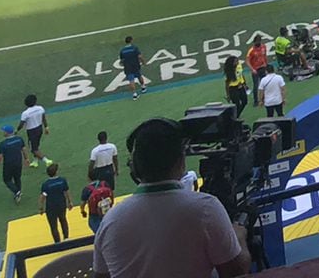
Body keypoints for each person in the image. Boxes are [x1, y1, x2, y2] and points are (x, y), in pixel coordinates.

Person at [91, 116, 251, 277]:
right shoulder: (205, 209)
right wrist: (239, 236)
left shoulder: (110, 221)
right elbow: (236, 271)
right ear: (181, 162)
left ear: (135, 168)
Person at [0, 124, 27, 203]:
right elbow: (24, 149)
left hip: (8, 165)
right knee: (17, 178)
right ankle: (18, 194)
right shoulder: (19, 139)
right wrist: (26, 159)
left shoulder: (3, 144)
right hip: (18, 163)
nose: (3, 132)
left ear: (7, 132)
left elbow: (0, 157)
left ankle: (16, 192)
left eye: (4, 131)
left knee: (7, 180)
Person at [40, 161, 71, 243]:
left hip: (51, 207)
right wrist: (70, 202)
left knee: (53, 225)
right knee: (63, 220)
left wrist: (41, 207)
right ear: (56, 172)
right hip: (61, 204)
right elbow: (66, 192)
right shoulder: (62, 181)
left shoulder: (46, 184)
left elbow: (43, 196)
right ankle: (66, 238)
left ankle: (57, 242)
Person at [20, 94, 48, 167]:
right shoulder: (40, 108)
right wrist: (46, 127)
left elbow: (21, 124)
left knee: (33, 149)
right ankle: (35, 162)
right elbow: (43, 118)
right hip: (39, 129)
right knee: (36, 146)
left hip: (31, 132)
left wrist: (16, 130)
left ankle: (47, 161)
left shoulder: (25, 113)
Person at [245, 36, 270, 106]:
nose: (258, 42)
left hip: (263, 68)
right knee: (256, 85)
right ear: (254, 42)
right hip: (255, 70)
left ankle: (264, 98)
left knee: (264, 84)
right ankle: (256, 100)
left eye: (259, 41)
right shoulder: (251, 50)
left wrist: (266, 65)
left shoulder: (263, 47)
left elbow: (265, 56)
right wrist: (252, 69)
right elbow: (247, 61)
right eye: (257, 41)